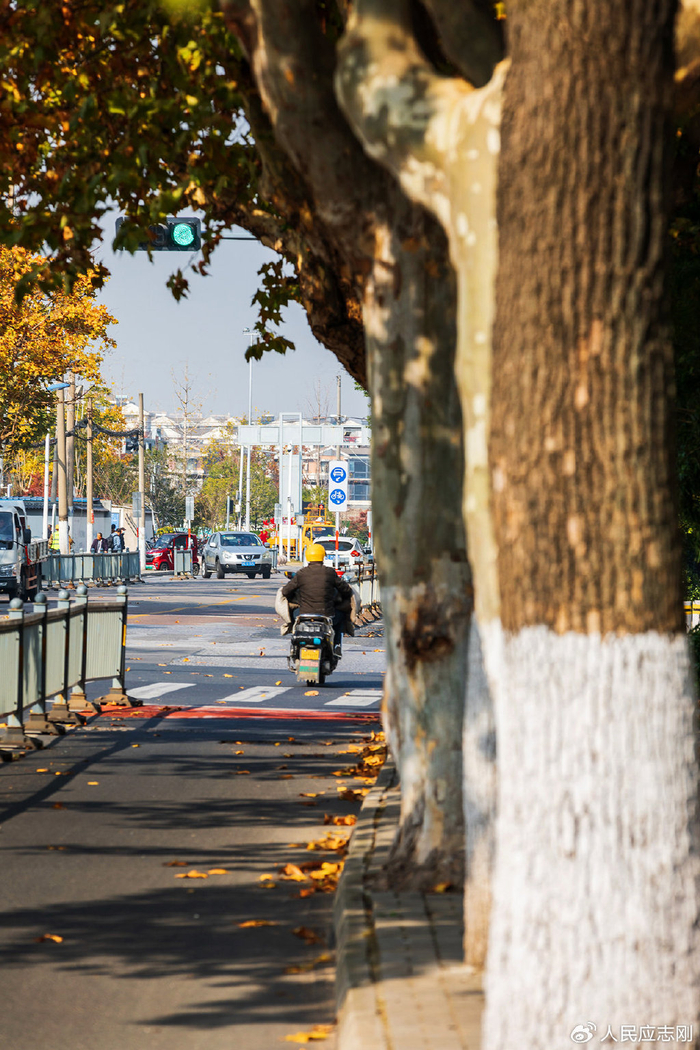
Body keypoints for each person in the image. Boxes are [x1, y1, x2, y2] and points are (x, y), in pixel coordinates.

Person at [281, 542, 353, 653]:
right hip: (327, 614)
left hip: (303, 614)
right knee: (342, 616)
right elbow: (346, 590)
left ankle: (295, 645)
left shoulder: (301, 573)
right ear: (323, 556)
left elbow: (285, 592)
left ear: (308, 556)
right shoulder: (330, 572)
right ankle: (337, 645)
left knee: (292, 613)